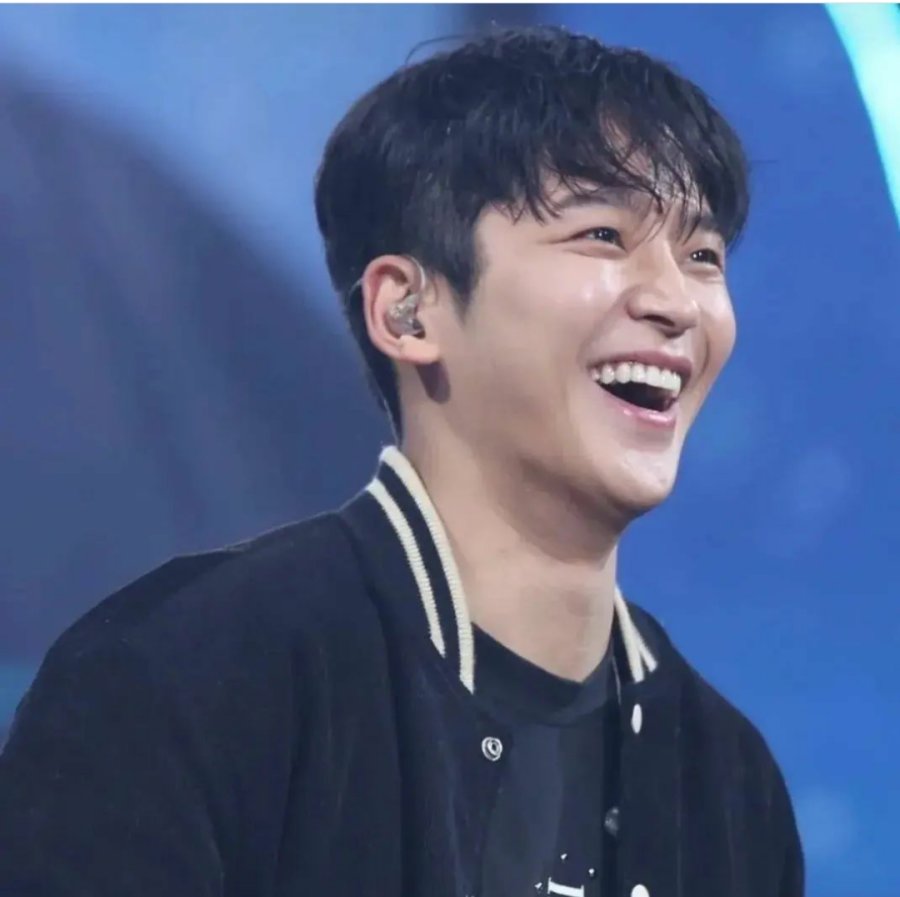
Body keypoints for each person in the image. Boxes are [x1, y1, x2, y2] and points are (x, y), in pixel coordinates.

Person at [0, 25, 804, 897]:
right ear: (408, 310)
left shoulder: (726, 781)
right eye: (603, 234)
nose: (676, 301)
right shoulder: (184, 677)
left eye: (702, 255)